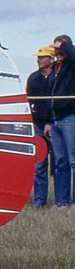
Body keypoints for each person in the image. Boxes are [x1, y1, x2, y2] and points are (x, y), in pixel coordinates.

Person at [48, 35, 75, 208]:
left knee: (73, 161)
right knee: (60, 162)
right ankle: (61, 202)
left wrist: (65, 45)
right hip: (55, 120)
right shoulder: (56, 69)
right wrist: (48, 122)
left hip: (70, 117)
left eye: (59, 49)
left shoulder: (72, 66)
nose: (56, 52)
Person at [28, 46, 56, 207]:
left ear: (51, 60)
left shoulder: (58, 77)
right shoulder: (33, 78)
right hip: (39, 125)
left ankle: (61, 201)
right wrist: (41, 123)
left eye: (43, 57)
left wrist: (51, 123)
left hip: (56, 124)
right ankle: (39, 202)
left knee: (60, 163)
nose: (39, 60)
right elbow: (31, 103)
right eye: (38, 57)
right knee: (39, 164)